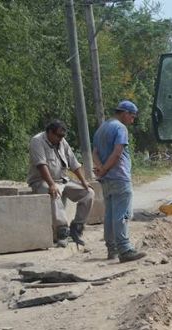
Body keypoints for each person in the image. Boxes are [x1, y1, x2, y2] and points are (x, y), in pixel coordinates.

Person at [92, 100, 146, 263]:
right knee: (122, 214)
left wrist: (101, 169)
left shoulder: (101, 128)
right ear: (125, 113)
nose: (133, 120)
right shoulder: (120, 128)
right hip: (119, 177)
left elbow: (94, 152)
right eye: (132, 116)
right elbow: (117, 153)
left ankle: (112, 250)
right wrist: (106, 169)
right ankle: (125, 249)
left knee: (110, 215)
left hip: (106, 179)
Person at [27, 119, 93, 248]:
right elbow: (41, 165)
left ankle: (76, 228)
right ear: (50, 132)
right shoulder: (37, 141)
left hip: (63, 180)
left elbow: (73, 163)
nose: (60, 138)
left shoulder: (62, 142)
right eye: (58, 135)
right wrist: (51, 184)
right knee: (54, 193)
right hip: (42, 181)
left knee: (89, 193)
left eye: (63, 136)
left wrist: (83, 181)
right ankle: (62, 232)